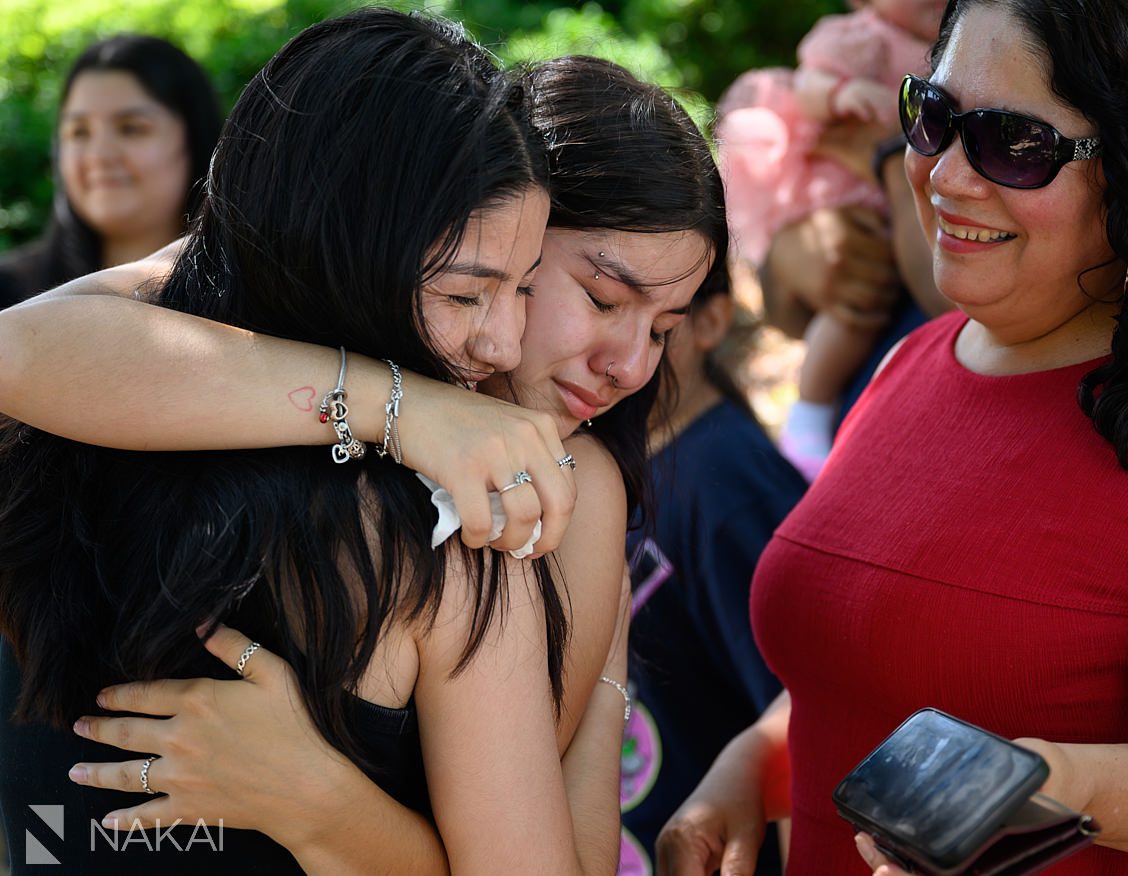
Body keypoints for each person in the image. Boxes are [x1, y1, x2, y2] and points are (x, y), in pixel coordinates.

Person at [0, 41, 726, 875]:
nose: (634, 366)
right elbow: (30, 343)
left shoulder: (565, 494)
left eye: (666, 330)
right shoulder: (421, 531)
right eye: (600, 298)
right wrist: (403, 407)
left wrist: (324, 808)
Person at [657, 0, 1128, 874]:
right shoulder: (906, 361)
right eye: (932, 117)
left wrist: (1052, 785)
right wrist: (752, 765)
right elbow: (873, 667)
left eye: (1013, 144)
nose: (945, 175)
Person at [618, 265, 806, 875]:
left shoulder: (729, 489)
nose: (617, 350)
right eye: (598, 306)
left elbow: (799, 719)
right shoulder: (622, 463)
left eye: (656, 325)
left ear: (711, 322)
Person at [717, 0, 944, 478]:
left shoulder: (965, 47)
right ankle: (810, 412)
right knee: (855, 308)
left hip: (895, 202)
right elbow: (808, 86)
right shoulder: (861, 37)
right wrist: (842, 94)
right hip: (848, 193)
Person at [0, 34, 221, 309]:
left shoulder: (246, 298)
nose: (99, 155)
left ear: (195, 139)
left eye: (131, 128)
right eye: (79, 132)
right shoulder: (9, 296)